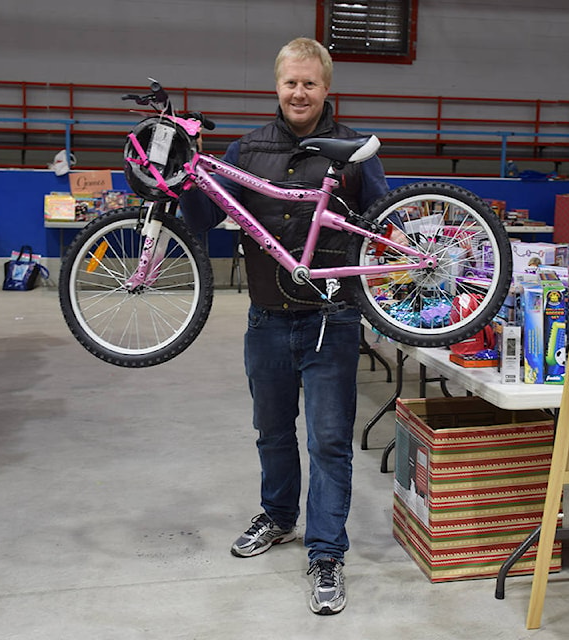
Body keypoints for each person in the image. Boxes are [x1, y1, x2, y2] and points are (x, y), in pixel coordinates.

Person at [179, 37, 388, 615]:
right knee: (271, 431)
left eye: (310, 83)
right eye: (291, 83)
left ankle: (326, 553)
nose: (300, 93)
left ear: (327, 89)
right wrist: (181, 181)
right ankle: (278, 517)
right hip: (267, 318)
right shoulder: (247, 151)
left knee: (328, 441)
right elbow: (200, 218)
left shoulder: (355, 153)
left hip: (333, 319)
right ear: (277, 86)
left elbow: (385, 224)